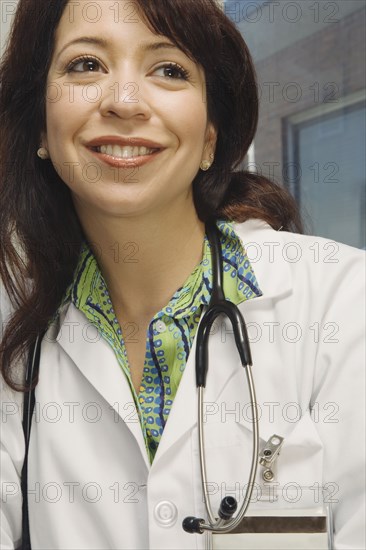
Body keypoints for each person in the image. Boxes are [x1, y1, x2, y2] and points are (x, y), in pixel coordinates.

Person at [0, 0, 364, 549]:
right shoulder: (14, 327)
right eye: (85, 65)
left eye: (169, 69)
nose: (124, 101)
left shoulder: (340, 301)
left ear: (211, 136)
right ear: (41, 129)